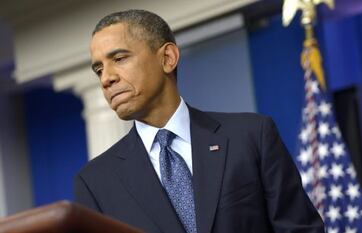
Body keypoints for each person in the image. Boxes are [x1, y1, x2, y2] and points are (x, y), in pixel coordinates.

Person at [74, 9, 324, 233]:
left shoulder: (251, 136)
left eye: (119, 59)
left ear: (168, 58)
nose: (106, 78)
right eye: (99, 70)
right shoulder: (96, 182)